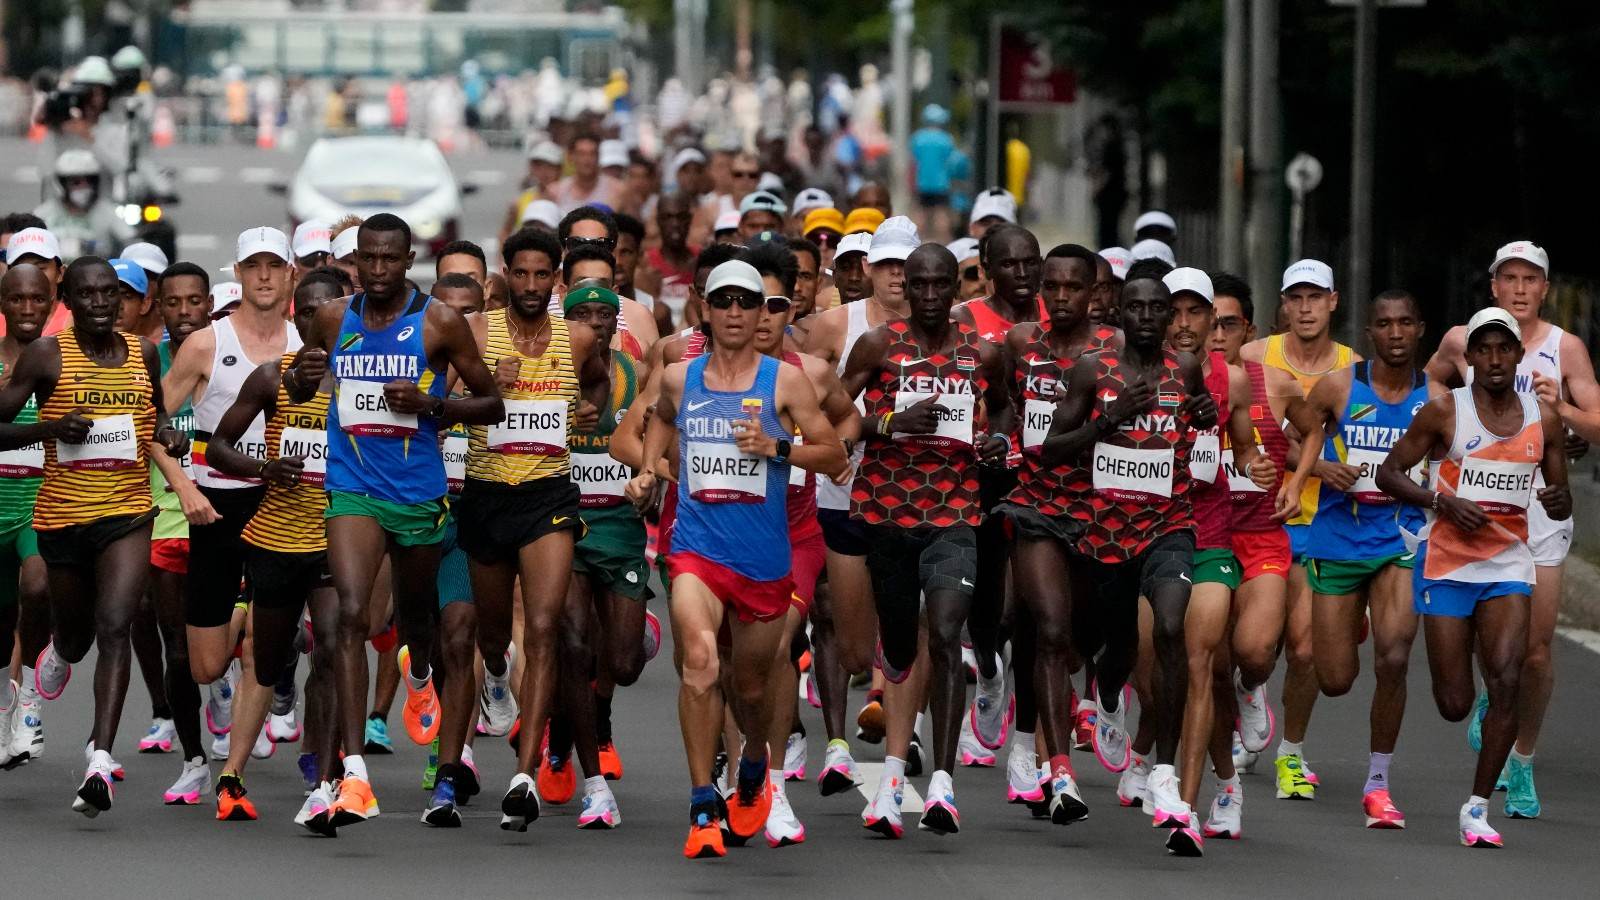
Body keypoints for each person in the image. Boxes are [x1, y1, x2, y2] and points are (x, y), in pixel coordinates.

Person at [285, 213, 503, 827]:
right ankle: (354, 775)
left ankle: (422, 670)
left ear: (410, 261)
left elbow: (492, 403)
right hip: (351, 487)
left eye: (390, 259)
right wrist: (302, 379)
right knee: (351, 616)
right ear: (357, 260)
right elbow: (303, 390)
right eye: (369, 259)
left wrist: (433, 404)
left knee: (416, 625)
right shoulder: (334, 318)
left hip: (418, 495)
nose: (378, 270)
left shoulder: (439, 322)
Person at [624, 259, 846, 859]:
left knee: (749, 684)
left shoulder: (785, 383)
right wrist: (650, 470)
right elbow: (659, 421)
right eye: (721, 301)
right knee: (698, 663)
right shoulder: (678, 377)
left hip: (764, 557)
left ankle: (753, 758)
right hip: (696, 548)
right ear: (706, 310)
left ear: (761, 313)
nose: (733, 313)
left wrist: (777, 446)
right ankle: (701, 802)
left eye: (746, 303)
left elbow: (833, 456)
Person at [0, 256, 188, 816]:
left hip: (129, 513)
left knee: (116, 624)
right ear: (69, 300)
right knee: (78, 637)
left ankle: (99, 759)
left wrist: (169, 434)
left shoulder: (143, 353)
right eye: (88, 295)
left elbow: (151, 415)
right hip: (62, 519)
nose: (102, 304)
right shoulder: (47, 355)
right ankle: (56, 651)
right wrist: (50, 428)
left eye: (111, 294)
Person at [1375, 306, 1569, 848]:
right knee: (1454, 701)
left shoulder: (1543, 418)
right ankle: (1479, 698)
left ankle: (1477, 808)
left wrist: (1557, 497)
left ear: (1517, 355)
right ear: (1471, 357)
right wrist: (1442, 500)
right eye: (1482, 349)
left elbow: (1558, 498)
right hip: (1448, 564)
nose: (1493, 359)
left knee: (1509, 678)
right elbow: (1389, 474)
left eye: (1503, 348)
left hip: (1509, 563)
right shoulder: (1444, 413)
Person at [1041, 259, 1216, 855]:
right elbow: (1048, 451)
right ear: (1121, 315)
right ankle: (1107, 695)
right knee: (1101, 646)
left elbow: (1201, 442)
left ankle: (1165, 774)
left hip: (1169, 526)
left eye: (1156, 308)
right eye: (1135, 307)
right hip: (1105, 536)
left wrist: (1206, 421)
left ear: (1169, 316)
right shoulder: (1094, 370)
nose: (1146, 317)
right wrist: (1107, 420)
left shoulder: (1187, 368)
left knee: (1170, 627)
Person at [840, 242, 1012, 837]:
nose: (934, 296)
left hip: (955, 515)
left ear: (955, 289)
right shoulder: (878, 345)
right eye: (922, 286)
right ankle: (890, 776)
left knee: (944, 633)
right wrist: (886, 424)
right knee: (899, 642)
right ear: (905, 288)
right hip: (886, 513)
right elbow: (834, 415)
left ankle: (940, 782)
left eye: (944, 285)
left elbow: (1006, 409)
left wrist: (999, 443)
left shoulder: (982, 353)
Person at [1423, 241, 1598, 819]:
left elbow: (1595, 422)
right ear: (1493, 286)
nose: (1521, 289)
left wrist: (1561, 417)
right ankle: (1493, 691)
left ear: (1545, 289)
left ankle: (1520, 758)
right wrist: (1444, 433)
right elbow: (1426, 385)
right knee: (1496, 645)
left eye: (1532, 280)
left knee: (1538, 653)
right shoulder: (1460, 339)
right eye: (1510, 279)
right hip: (1471, 506)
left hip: (1539, 504)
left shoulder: (1564, 348)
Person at [457, 226, 610, 832]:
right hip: (488, 495)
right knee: (496, 636)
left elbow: (598, 376)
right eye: (519, 273)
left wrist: (589, 407)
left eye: (541, 275)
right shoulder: (475, 331)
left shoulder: (575, 337)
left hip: (548, 493)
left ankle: (523, 777)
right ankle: (497, 673)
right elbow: (441, 397)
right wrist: (490, 385)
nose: (529, 285)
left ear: (558, 280)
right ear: (505, 273)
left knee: (544, 626)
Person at [1278, 289, 1436, 830]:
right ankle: (1291, 747)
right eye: (1384, 324)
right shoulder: (1341, 386)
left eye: (1405, 323)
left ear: (1420, 330)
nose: (1395, 333)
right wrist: (1321, 468)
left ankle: (1378, 783)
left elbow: (1463, 452)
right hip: (1338, 540)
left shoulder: (1437, 396)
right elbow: (1288, 439)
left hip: (1400, 540)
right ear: (1369, 333)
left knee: (1394, 658)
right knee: (1334, 677)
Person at [201, 272, 341, 829]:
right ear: (293, 316)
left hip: (338, 536)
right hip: (278, 536)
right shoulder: (269, 377)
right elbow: (218, 446)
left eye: (327, 313)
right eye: (305, 313)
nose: (314, 323)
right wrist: (264, 468)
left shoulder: (360, 383)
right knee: (268, 656)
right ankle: (232, 773)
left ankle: (330, 776)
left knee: (333, 646)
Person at [994, 244, 1120, 824]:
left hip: (1101, 509)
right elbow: (998, 403)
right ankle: (1059, 770)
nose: (1062, 297)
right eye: (1053, 286)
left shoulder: (1115, 351)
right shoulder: (1020, 344)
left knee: (1083, 640)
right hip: (1036, 503)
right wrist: (999, 436)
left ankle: (1087, 706)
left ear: (1094, 293)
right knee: (1045, 628)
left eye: (1075, 287)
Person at [1154, 266, 1275, 855]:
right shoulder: (1134, 374)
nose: (1183, 324)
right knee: (1154, 671)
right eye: (1173, 312)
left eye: (1195, 312)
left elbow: (1247, 447)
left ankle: (1186, 805)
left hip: (1207, 537)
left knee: (1202, 664)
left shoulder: (1232, 380)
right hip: (1142, 537)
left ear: (1212, 322)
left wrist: (1255, 465)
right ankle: (1223, 776)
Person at [161, 229, 301, 729]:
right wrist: (184, 487)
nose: (263, 277)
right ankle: (244, 611)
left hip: (283, 507)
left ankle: (235, 767)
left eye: (273, 266)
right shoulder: (205, 343)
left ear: (291, 274)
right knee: (205, 666)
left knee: (260, 656)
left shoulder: (307, 345)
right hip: (215, 506)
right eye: (252, 266)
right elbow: (147, 420)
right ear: (238, 274)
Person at [1240, 258, 1358, 800]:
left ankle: (1291, 753)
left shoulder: (1352, 369)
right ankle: (1246, 695)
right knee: (1255, 648)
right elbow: (1245, 431)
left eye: (1316, 296)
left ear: (1334, 301)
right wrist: (1306, 465)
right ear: (1283, 305)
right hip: (1258, 516)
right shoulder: (1252, 359)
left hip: (1324, 524)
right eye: (1296, 297)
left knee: (1306, 650)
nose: (1306, 307)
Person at [562, 283, 652, 814]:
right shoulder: (550, 373)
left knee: (621, 663)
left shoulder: (635, 377)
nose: (594, 324)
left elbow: (659, 443)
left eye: (604, 315)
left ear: (617, 323)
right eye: (583, 315)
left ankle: (595, 710)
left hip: (620, 529)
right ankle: (580, 759)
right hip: (563, 527)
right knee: (571, 642)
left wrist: (651, 477)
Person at [137, 260, 214, 802]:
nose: (184, 312)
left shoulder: (225, 353)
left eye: (194, 302)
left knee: (246, 642)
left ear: (209, 304)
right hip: (166, 522)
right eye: (173, 303)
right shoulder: (146, 361)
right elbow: (142, 432)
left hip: (227, 520)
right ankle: (194, 760)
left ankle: (239, 689)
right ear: (158, 308)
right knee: (178, 652)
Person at [0, 265, 55, 770]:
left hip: (40, 507)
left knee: (37, 588)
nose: (27, 308)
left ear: (51, 300)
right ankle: (8, 707)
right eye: (17, 299)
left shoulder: (64, 360)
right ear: (3, 304)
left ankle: (31, 699)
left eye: (37, 299)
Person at [33, 149, 132, 260]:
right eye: (76, 182)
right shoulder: (44, 213)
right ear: (62, 184)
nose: (83, 187)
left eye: (89, 181)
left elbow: (130, 240)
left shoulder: (106, 211)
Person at [638, 193, 699, 332]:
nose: (675, 224)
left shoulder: (704, 261)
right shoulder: (646, 264)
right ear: (658, 220)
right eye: (667, 217)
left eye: (681, 217)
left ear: (689, 219)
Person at [548, 135, 625, 214]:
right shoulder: (556, 191)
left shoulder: (617, 190)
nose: (587, 159)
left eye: (592, 154)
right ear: (571, 157)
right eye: (581, 154)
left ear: (599, 156)